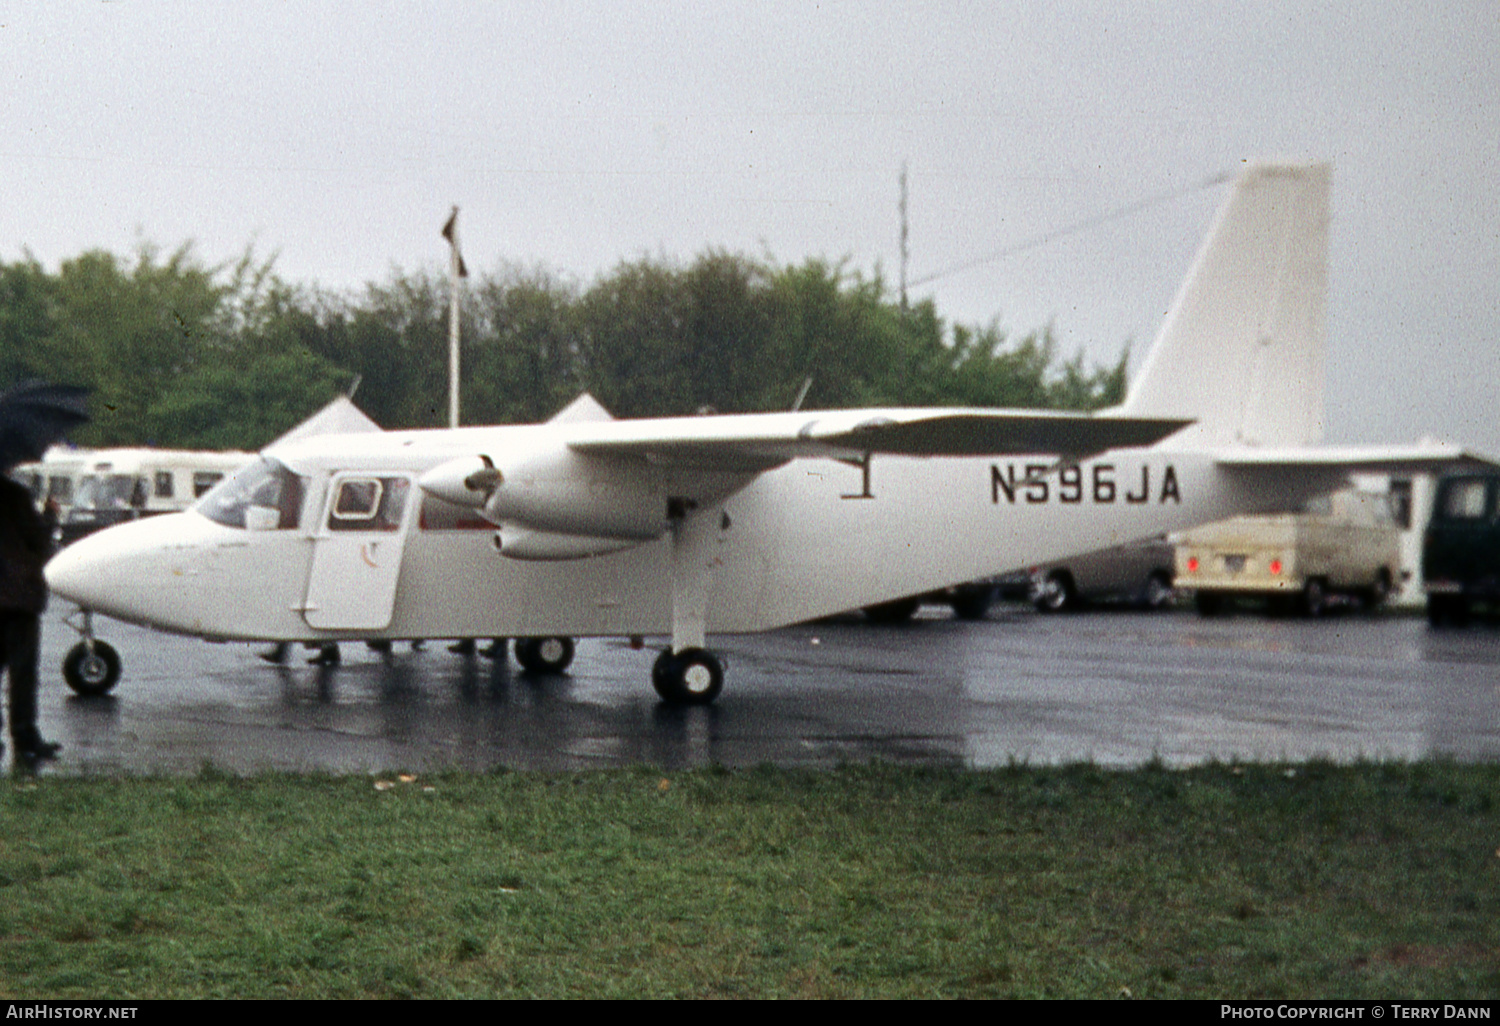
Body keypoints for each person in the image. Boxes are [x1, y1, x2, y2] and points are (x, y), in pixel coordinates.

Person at [0, 473, 62, 763]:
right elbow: (37, 538)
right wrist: (50, 514)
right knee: (22, 673)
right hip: (17, 597)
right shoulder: (14, 493)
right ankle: (24, 738)